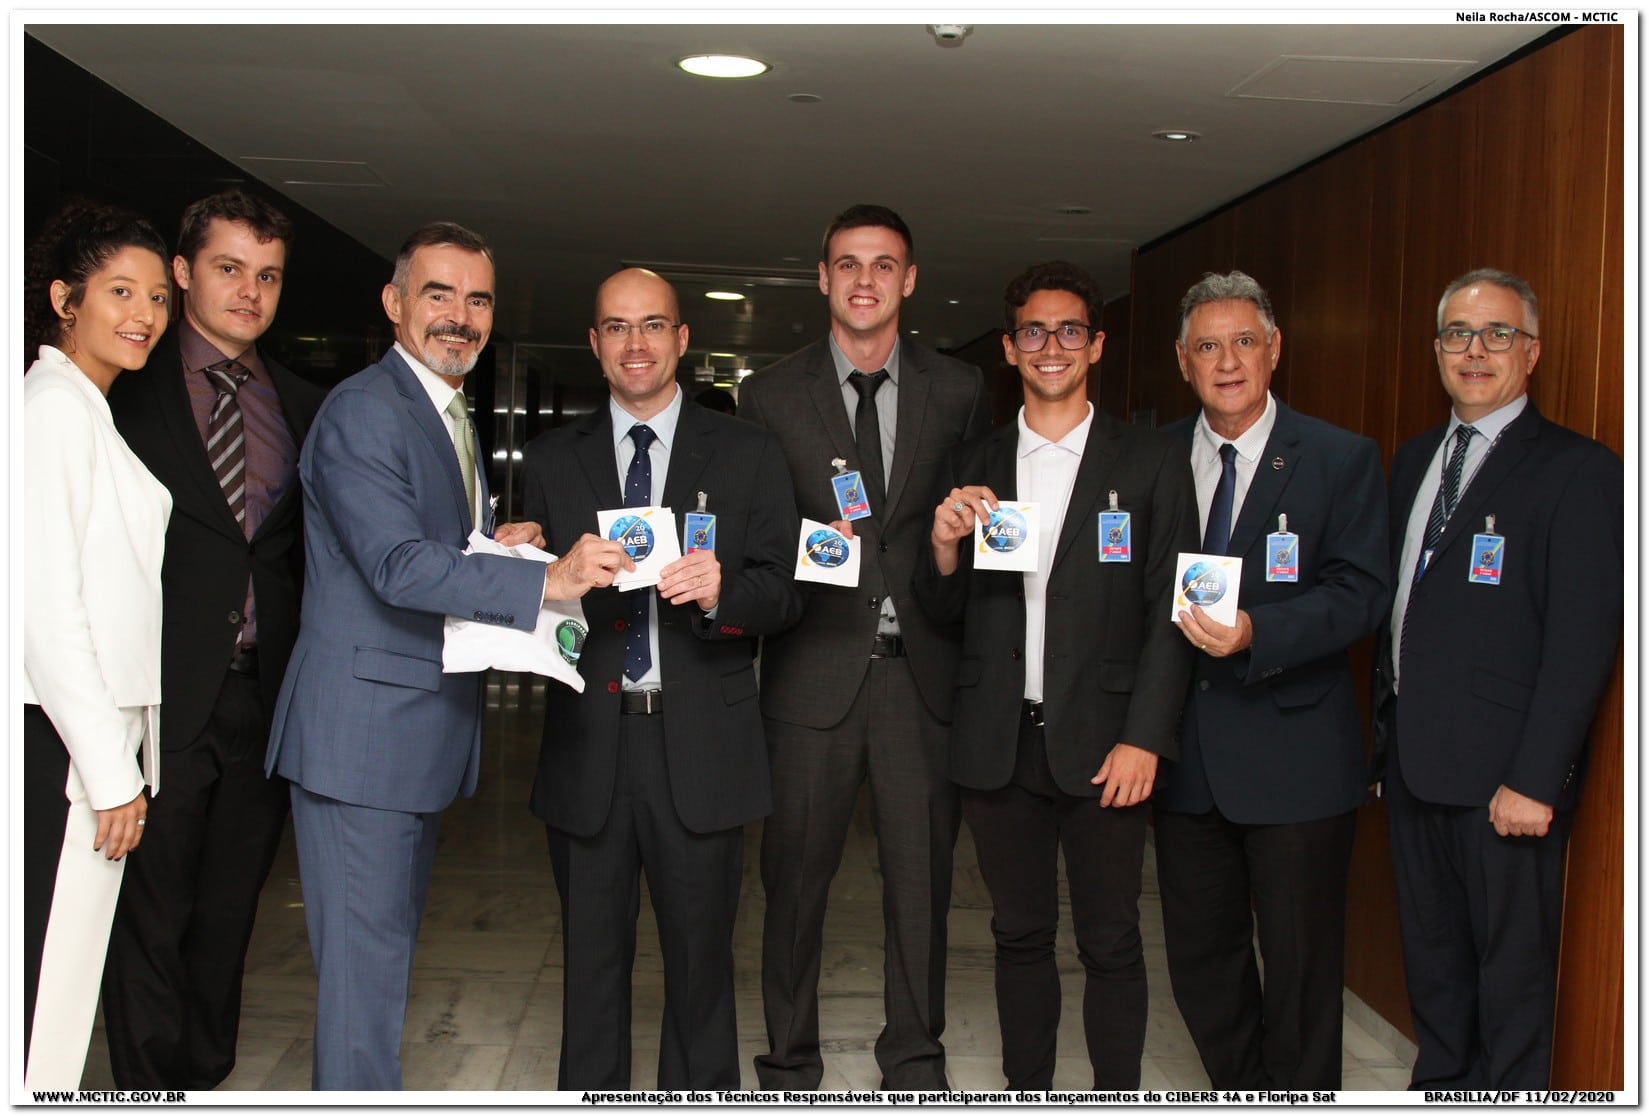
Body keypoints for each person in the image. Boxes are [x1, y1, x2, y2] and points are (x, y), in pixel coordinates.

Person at [264, 221, 583, 1090]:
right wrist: (545, 582)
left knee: (380, 967)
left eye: (476, 299)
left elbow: (428, 543)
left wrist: (497, 546)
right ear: (394, 302)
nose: (459, 316)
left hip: (403, 735)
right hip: (363, 739)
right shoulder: (368, 409)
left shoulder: (441, 409)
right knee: (363, 989)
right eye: (437, 293)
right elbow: (397, 565)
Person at [912, 261, 1197, 1089]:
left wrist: (1146, 737)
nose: (1050, 347)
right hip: (999, 741)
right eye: (1032, 331)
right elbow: (941, 611)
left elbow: (1168, 613)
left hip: (1108, 745)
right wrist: (940, 546)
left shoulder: (1148, 461)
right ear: (1008, 347)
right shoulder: (973, 462)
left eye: (1069, 330)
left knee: (1110, 940)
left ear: (1096, 345)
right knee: (1017, 934)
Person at [519, 268, 803, 1088]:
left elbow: (784, 592)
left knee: (701, 972)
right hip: (587, 747)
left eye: (652, 326)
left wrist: (726, 593)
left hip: (704, 746)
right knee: (589, 969)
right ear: (595, 344)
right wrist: (522, 564)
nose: (634, 344)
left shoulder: (747, 452)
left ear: (683, 339)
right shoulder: (548, 459)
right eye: (615, 327)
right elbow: (533, 601)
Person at [738, 204, 989, 1090]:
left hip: (920, 679)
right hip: (811, 674)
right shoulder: (768, 395)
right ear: (821, 278)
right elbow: (760, 536)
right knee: (792, 887)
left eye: (883, 265)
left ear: (908, 281)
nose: (864, 281)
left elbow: (962, 534)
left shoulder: (959, 391)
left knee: (920, 889)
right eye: (846, 264)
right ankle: (787, 1063)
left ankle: (915, 1065)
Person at [1371, 268, 1622, 1089]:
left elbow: (1582, 642)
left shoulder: (1579, 472)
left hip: (1504, 788)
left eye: (1496, 334)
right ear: (1436, 349)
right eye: (1456, 334)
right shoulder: (1413, 461)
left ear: (1532, 351)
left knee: (1509, 990)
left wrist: (1534, 779)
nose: (1474, 351)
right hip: (1412, 773)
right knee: (1435, 978)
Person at [102, 188, 325, 1090]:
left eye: (267, 276)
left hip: (263, 701)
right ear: (185, 272)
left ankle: (204, 1081)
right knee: (149, 919)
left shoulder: (305, 405)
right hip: (154, 698)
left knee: (228, 915)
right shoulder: (121, 390)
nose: (249, 293)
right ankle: (147, 1088)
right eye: (229, 270)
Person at [1153, 271, 1392, 1088]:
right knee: (1202, 965)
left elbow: (1360, 592)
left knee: (1298, 970)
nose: (1227, 362)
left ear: (1274, 349)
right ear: (1182, 361)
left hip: (1295, 757)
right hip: (1183, 761)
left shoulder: (1339, 458)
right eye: (1208, 347)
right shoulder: (1151, 461)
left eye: (1243, 342)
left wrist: (1259, 631)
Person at [22, 201, 174, 1088]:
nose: (142, 314)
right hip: (60, 746)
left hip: (85, 746)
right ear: (64, 298)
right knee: (44, 992)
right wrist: (111, 773)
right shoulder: (52, 409)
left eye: (155, 295)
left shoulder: (86, 407)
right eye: (120, 291)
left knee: (60, 991)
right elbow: (46, 610)